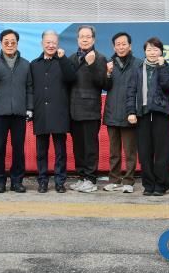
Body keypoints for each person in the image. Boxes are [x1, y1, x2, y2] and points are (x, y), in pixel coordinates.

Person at [0, 29, 33, 194]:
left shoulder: (26, 64)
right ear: (1, 44)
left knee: (18, 149)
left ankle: (17, 181)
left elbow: (29, 88)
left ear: (17, 44)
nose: (10, 45)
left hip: (19, 113)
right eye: (6, 42)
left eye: (13, 42)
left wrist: (29, 108)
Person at [126, 37, 169, 196]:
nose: (152, 53)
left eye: (155, 49)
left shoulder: (167, 68)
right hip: (143, 114)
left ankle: (161, 185)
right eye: (149, 50)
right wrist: (131, 111)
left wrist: (161, 67)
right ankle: (148, 185)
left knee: (162, 152)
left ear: (161, 51)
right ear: (144, 52)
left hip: (162, 114)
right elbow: (131, 92)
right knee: (145, 152)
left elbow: (167, 84)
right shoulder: (138, 69)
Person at [30, 30, 76, 193]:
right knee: (41, 152)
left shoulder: (64, 61)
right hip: (40, 113)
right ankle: (42, 181)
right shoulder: (34, 64)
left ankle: (59, 182)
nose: (51, 45)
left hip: (59, 113)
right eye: (48, 42)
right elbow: (30, 88)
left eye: (54, 42)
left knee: (60, 151)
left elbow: (72, 78)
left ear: (58, 44)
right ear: (42, 43)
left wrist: (62, 59)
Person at [68, 25, 107, 193]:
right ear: (77, 39)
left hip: (90, 110)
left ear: (93, 39)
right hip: (73, 110)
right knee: (78, 147)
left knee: (90, 147)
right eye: (82, 36)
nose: (85, 39)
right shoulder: (71, 58)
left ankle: (91, 179)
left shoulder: (100, 58)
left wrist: (92, 65)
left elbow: (103, 83)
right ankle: (82, 176)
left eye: (88, 36)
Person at [103, 32, 142, 193]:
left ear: (130, 46)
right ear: (114, 47)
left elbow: (140, 90)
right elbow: (104, 86)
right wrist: (107, 73)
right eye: (117, 44)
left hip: (129, 114)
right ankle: (114, 179)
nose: (121, 47)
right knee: (114, 152)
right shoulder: (109, 64)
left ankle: (129, 181)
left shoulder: (138, 64)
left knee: (130, 151)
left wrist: (135, 111)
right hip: (112, 113)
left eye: (124, 44)